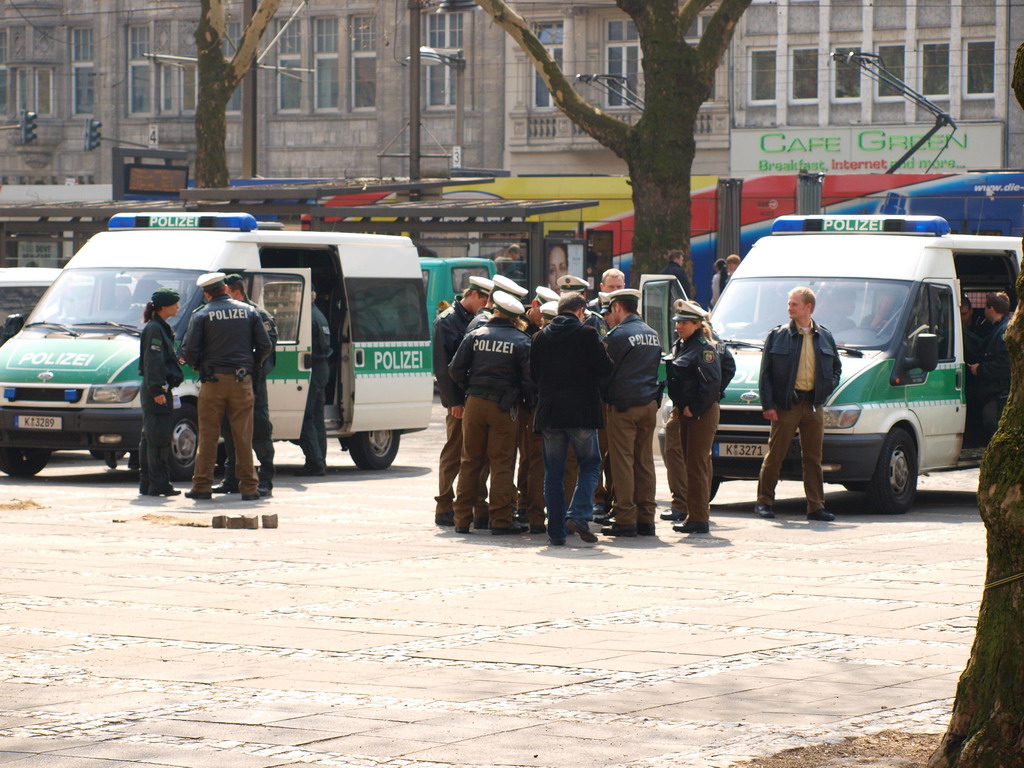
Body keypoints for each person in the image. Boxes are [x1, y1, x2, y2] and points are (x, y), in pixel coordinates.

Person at [531, 292, 614, 545]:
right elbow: (606, 368)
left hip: (550, 414)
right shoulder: (587, 333)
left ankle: (556, 533)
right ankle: (578, 514)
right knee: (589, 464)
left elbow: (534, 376)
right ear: (580, 311)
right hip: (581, 413)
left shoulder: (539, 337)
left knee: (553, 473)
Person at [181, 272, 273, 501]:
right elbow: (265, 345)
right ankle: (250, 487)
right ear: (225, 288)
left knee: (208, 435)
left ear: (206, 293)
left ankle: (202, 486)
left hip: (213, 382)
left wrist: (200, 367)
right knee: (243, 436)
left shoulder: (201, 315)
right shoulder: (249, 312)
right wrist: (252, 366)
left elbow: (190, 350)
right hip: (242, 381)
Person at [448, 291, 532, 535]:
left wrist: (469, 388)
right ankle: (501, 520)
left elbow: (454, 370)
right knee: (502, 464)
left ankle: (462, 519)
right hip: (503, 408)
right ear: (516, 318)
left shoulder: (475, 335)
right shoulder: (521, 340)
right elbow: (528, 381)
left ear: (495, 312)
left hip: (474, 404)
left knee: (470, 462)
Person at [755, 287, 842, 522]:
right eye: (789, 303)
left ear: (808, 307)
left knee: (813, 458)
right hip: (787, 406)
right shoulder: (778, 335)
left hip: (813, 405)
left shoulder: (825, 336)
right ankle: (764, 501)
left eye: (794, 304)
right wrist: (768, 405)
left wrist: (825, 389)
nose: (789, 308)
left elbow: (836, 368)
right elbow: (766, 374)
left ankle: (816, 506)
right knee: (776, 454)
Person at [600, 289, 663, 537]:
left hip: (623, 406)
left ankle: (625, 517)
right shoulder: (652, 334)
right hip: (648, 405)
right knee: (644, 461)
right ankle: (646, 517)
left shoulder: (618, 335)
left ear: (617, 307)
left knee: (622, 462)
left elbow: (605, 371)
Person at [432, 276, 492, 526]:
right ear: (476, 295)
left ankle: (478, 505)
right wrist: (453, 401)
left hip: (477, 399)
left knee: (480, 455)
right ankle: (445, 505)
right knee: (454, 454)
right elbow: (443, 368)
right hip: (458, 400)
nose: (488, 306)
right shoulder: (447, 321)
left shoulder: (480, 320)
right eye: (486, 300)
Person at [214, 274, 277, 496]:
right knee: (231, 431)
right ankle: (232, 479)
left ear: (236, 291)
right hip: (233, 383)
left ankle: (265, 479)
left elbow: (266, 348)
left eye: (226, 292)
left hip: (254, 384)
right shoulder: (229, 315)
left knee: (259, 430)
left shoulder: (258, 315)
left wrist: (250, 368)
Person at [665, 300, 722, 534]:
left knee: (697, 465)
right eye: (678, 322)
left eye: (684, 322)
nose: (679, 326)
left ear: (697, 324)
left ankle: (699, 518)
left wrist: (695, 408)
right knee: (690, 464)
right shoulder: (682, 345)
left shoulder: (704, 349)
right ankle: (693, 514)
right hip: (686, 412)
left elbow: (712, 383)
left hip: (701, 413)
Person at [138, 287, 184, 497]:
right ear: (164, 306)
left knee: (151, 438)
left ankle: (149, 483)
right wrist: (157, 389)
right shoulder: (156, 329)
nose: (178, 307)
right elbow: (153, 362)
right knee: (158, 439)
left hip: (158, 388)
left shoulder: (159, 327)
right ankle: (158, 484)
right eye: (175, 303)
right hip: (157, 390)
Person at [968, 291, 1011, 443]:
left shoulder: (1004, 331)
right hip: (993, 392)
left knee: (992, 426)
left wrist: (979, 369)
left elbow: (1005, 364)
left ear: (991, 308)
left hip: (999, 393)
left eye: (985, 308)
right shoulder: (997, 329)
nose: (984, 312)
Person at [299, 291, 332, 476]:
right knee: (318, 419)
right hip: (322, 368)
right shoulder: (319, 315)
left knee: (306, 418)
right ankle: (321, 460)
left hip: (312, 369)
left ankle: (315, 462)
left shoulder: (308, 317)